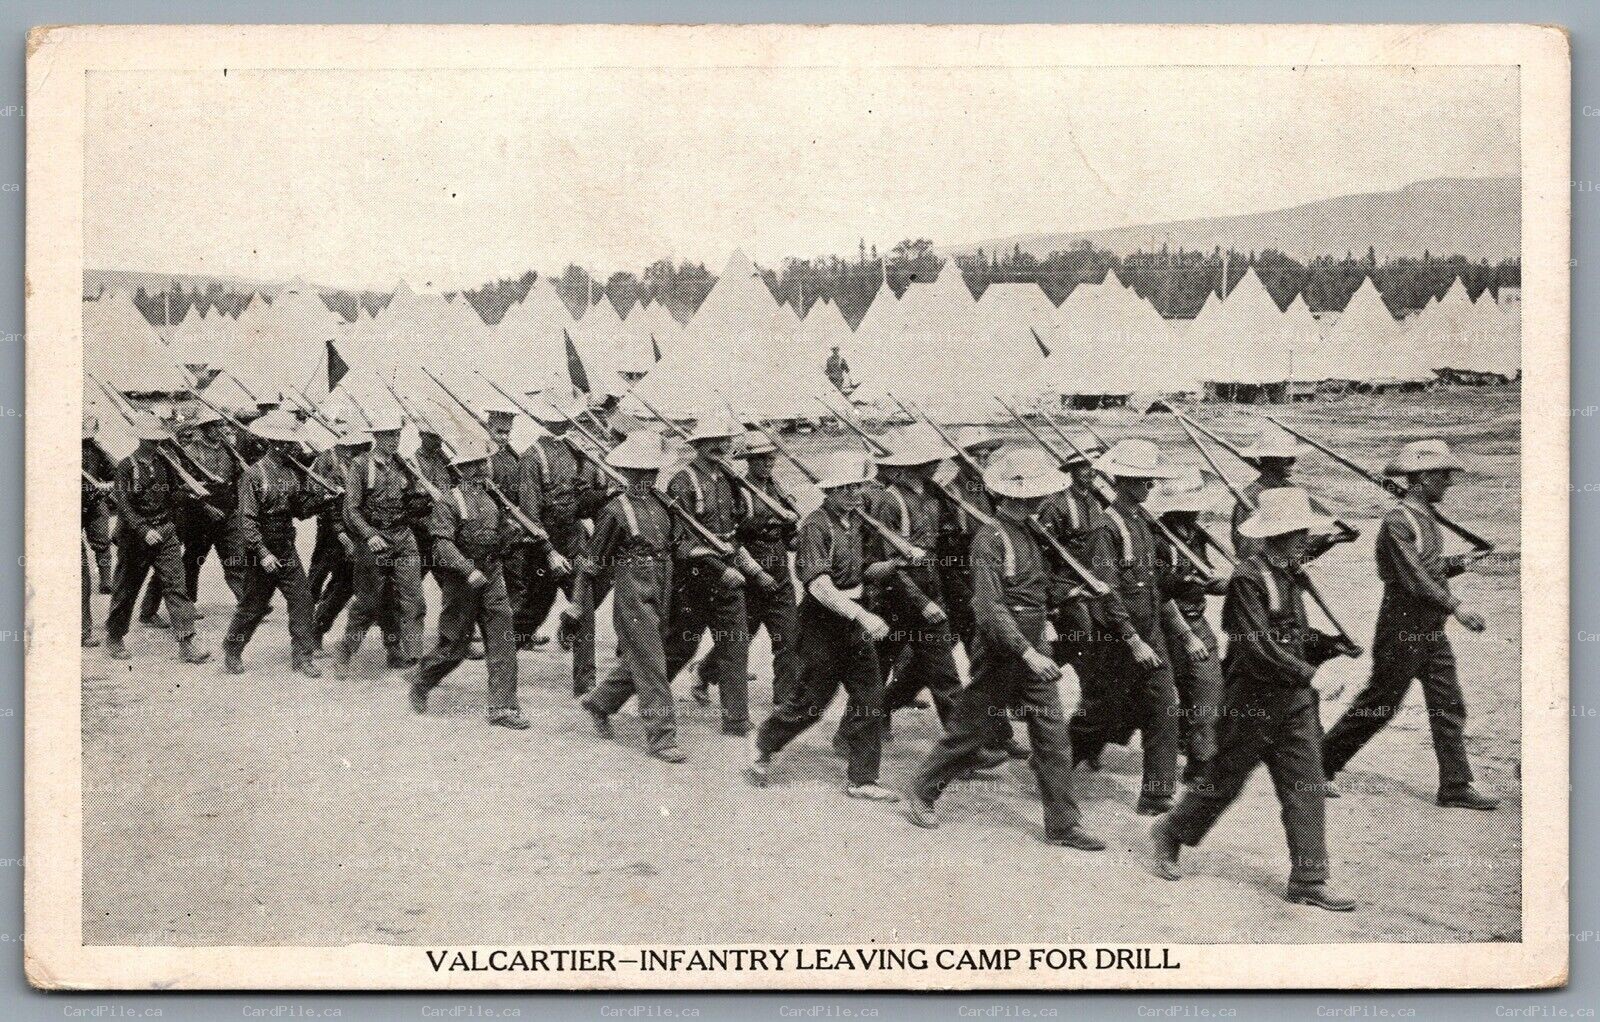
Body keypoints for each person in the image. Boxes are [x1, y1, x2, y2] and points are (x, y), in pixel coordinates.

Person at [1151, 487, 1361, 911]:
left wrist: (1327, 646)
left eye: (1303, 532)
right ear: (1278, 536)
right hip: (1252, 702)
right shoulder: (1248, 579)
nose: (1304, 539)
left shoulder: (1290, 574)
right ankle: (1171, 832)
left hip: (1295, 703)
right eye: (1298, 532)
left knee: (1306, 786)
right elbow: (1254, 646)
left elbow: (1291, 634)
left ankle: (1308, 877)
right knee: (1223, 783)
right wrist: (1309, 672)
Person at [905, 447, 1105, 851]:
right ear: (1021, 497)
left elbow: (1039, 589)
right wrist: (1026, 652)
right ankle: (922, 791)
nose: (1046, 500)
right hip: (1001, 648)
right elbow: (989, 607)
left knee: (1052, 735)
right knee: (971, 729)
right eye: (1040, 494)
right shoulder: (989, 541)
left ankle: (1062, 824)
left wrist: (1074, 592)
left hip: (1034, 644)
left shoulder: (1031, 533)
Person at [1321, 439, 1499, 810]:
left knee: (1448, 705)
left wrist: (1463, 562)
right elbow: (1412, 578)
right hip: (1402, 628)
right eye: (1441, 475)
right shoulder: (1397, 521)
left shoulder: (1426, 517)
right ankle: (1318, 767)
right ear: (1419, 479)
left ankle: (1455, 785)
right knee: (1379, 704)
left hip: (1431, 628)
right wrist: (1458, 608)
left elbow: (1429, 569)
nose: (1448, 482)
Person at [746, 449, 901, 803]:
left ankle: (862, 778)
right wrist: (862, 615)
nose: (853, 494)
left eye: (857, 488)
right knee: (811, 703)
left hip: (854, 617)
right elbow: (819, 586)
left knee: (869, 698)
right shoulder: (816, 526)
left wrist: (893, 563)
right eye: (845, 489)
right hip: (822, 622)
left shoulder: (857, 522)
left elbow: (863, 571)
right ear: (829, 492)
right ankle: (765, 743)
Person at [1069, 438, 1186, 815]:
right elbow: (1106, 589)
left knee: (1164, 706)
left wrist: (1188, 584)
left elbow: (1151, 584)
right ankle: (1057, 762)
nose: (1150, 486)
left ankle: (1156, 794)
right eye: (1143, 480)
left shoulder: (1142, 522)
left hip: (1150, 631)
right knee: (1101, 710)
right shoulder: (1107, 527)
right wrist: (1133, 639)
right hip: (1119, 638)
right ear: (1122, 480)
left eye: (1151, 479)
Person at [579, 430, 702, 761]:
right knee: (651, 661)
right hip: (633, 591)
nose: (647, 477)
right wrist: (579, 604)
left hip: (664, 583)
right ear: (628, 471)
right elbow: (593, 562)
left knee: (645, 655)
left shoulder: (662, 504)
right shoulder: (615, 510)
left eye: (652, 471)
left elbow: (680, 543)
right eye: (641, 471)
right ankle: (662, 737)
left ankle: (599, 701)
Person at [405, 436, 535, 730]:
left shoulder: (493, 500)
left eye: (481, 463)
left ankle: (502, 708)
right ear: (460, 469)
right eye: (471, 465)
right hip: (461, 583)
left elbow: (502, 540)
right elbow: (442, 546)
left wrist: (517, 536)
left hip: (491, 578)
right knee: (454, 646)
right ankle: (422, 681)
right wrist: (467, 569)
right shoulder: (449, 502)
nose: (478, 470)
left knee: (503, 641)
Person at [664, 408, 772, 736]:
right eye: (711, 441)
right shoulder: (682, 481)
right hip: (696, 577)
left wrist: (751, 568)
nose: (718, 446)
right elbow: (681, 541)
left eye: (723, 441)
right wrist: (718, 569)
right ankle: (619, 698)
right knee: (681, 647)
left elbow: (734, 534)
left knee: (735, 644)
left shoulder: (727, 480)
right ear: (698, 445)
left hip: (729, 575)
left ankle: (736, 719)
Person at [864, 424, 965, 738]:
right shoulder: (889, 502)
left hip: (929, 586)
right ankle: (857, 730)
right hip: (898, 595)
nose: (935, 465)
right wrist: (922, 602)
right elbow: (887, 564)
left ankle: (965, 744)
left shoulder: (934, 494)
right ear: (911, 465)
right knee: (880, 664)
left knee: (943, 671)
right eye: (928, 461)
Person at [221, 409, 330, 677]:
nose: (294, 447)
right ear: (276, 443)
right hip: (261, 547)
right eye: (289, 443)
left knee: (303, 600)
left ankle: (302, 657)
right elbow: (246, 519)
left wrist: (325, 500)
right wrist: (262, 551)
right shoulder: (254, 474)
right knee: (253, 605)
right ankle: (232, 648)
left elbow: (299, 511)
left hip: (285, 542)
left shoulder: (292, 473)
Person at [103, 412, 211, 664]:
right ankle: (115, 636)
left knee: (176, 586)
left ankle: (186, 642)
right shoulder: (126, 467)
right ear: (141, 439)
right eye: (152, 441)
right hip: (136, 538)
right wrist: (143, 529)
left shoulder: (165, 464)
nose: (156, 445)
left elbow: (173, 493)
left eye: (159, 441)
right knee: (126, 589)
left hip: (164, 532)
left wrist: (192, 492)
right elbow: (124, 506)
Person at [333, 411, 433, 677]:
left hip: (403, 537)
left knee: (414, 600)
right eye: (388, 435)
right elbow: (351, 510)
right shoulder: (361, 465)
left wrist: (422, 497)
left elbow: (414, 500)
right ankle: (345, 651)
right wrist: (369, 534)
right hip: (374, 539)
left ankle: (412, 656)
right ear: (376, 437)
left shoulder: (404, 465)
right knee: (368, 602)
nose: (394, 440)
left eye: (397, 434)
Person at [520, 398, 608, 694]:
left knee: (584, 607)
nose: (568, 423)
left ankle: (585, 685)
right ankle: (503, 651)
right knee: (532, 610)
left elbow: (582, 503)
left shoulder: (576, 452)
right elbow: (529, 515)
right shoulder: (532, 457)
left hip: (573, 539)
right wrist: (549, 552)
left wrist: (605, 491)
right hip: (543, 544)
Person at [1149, 469, 1230, 784]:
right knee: (1199, 690)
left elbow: (1204, 581)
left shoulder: (1194, 534)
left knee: (1205, 690)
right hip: (1172, 621)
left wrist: (1228, 584)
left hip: (1197, 615)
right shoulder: (1159, 539)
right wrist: (1186, 636)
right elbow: (1159, 592)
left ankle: (1199, 760)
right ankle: (1199, 762)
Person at [732, 431, 800, 706]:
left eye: (771, 458)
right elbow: (731, 541)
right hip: (751, 575)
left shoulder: (779, 491)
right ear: (749, 461)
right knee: (740, 639)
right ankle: (705, 670)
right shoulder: (739, 493)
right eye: (761, 459)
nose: (768, 463)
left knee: (789, 637)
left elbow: (790, 539)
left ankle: (785, 698)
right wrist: (756, 573)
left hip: (780, 574)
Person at [1228, 429, 1351, 562]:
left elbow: (1293, 548)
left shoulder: (1287, 493)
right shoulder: (1251, 498)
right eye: (1289, 459)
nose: (1294, 462)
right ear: (1270, 460)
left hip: (1281, 569)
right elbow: (1249, 554)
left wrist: (1331, 539)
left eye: (1293, 458)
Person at [308, 425, 371, 656]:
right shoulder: (330, 462)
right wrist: (341, 535)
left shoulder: (363, 465)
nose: (365, 450)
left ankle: (316, 626)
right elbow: (326, 502)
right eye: (361, 447)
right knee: (328, 578)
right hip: (334, 531)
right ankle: (311, 628)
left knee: (347, 584)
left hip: (357, 530)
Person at [82, 415, 117, 646]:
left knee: (102, 543)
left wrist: (107, 486)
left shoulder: (96, 451)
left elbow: (115, 472)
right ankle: (83, 629)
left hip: (94, 502)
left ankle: (106, 581)